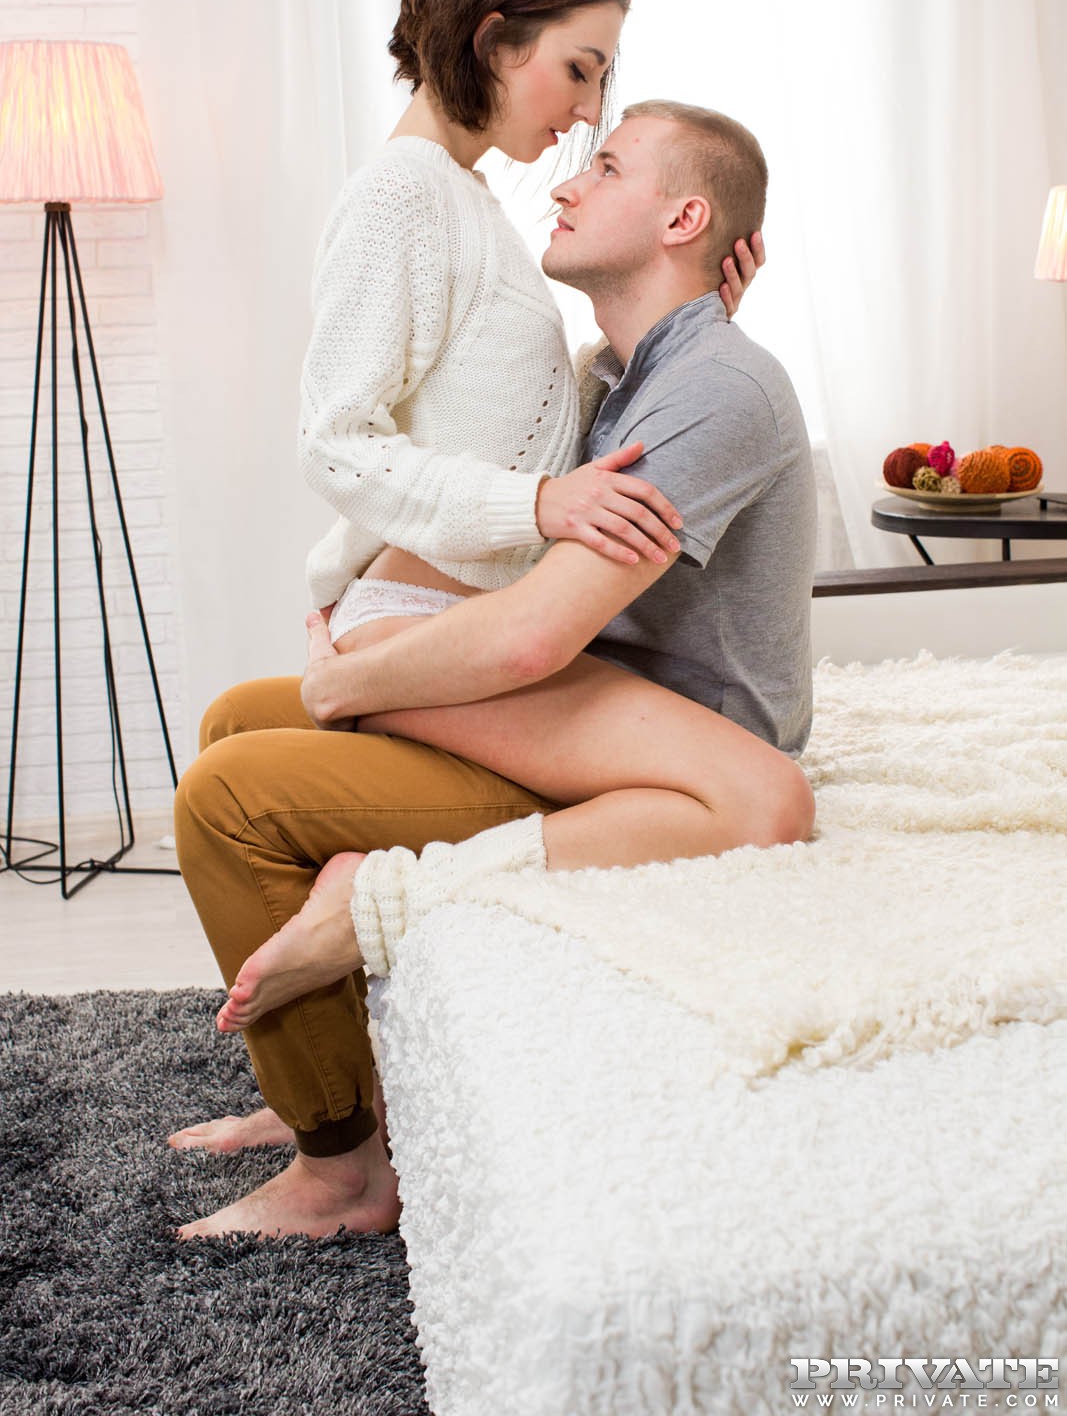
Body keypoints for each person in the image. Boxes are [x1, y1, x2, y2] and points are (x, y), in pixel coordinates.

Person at [172, 99, 816, 1241]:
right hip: (583, 711)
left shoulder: (713, 382)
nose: (565, 182)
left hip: (668, 750)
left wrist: (348, 678)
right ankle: (336, 1077)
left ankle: (341, 1171)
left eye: (604, 166)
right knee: (235, 720)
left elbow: (532, 636)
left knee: (230, 796)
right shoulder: (629, 372)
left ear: (681, 217)